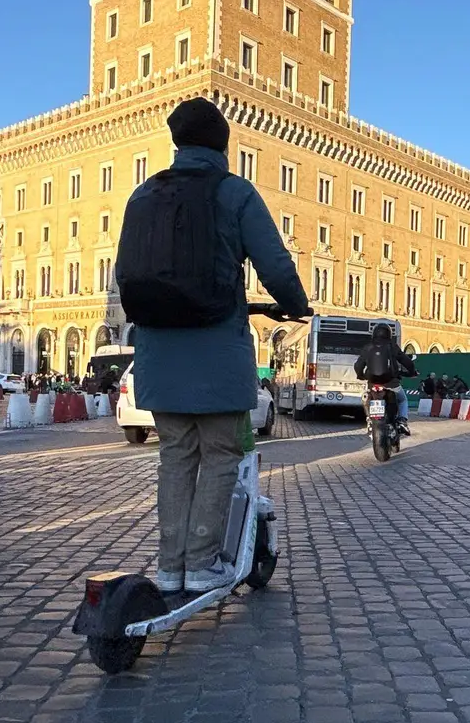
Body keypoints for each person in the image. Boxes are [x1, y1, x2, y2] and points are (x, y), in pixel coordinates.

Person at [115, 97, 310, 594]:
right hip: (217, 352)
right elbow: (275, 264)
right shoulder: (234, 193)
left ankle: (170, 563)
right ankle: (202, 562)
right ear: (223, 146)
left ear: (177, 143)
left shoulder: (142, 195)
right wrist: (295, 304)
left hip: (158, 351)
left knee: (176, 455)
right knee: (222, 453)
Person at [353, 324, 418, 436]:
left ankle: (369, 420)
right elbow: (407, 362)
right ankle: (402, 421)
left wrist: (360, 375)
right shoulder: (393, 346)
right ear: (389, 334)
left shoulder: (368, 347)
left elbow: (358, 365)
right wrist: (412, 372)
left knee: (366, 398)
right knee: (402, 400)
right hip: (391, 384)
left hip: (372, 383)